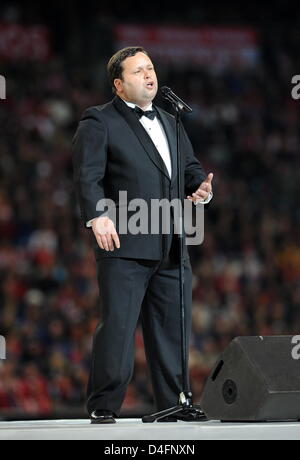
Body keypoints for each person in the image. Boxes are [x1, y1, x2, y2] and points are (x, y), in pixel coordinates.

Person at [72, 46, 213, 424]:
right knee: (118, 326)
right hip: (125, 240)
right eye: (138, 71)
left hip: (171, 240)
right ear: (119, 85)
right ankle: (104, 404)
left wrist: (200, 187)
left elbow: (190, 168)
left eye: (150, 68)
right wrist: (98, 216)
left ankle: (176, 401)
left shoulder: (171, 120)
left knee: (173, 327)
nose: (149, 75)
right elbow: (88, 176)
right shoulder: (98, 121)